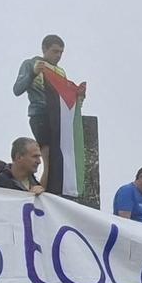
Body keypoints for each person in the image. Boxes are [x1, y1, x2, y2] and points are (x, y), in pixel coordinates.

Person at [12, 34, 86, 193]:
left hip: (57, 118)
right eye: (55, 51)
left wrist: (79, 98)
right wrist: (32, 73)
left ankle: (55, 189)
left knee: (59, 156)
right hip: (40, 113)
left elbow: (65, 99)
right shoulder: (31, 64)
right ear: (44, 49)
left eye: (61, 52)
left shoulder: (60, 71)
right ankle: (44, 191)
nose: (58, 56)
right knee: (46, 154)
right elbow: (17, 89)